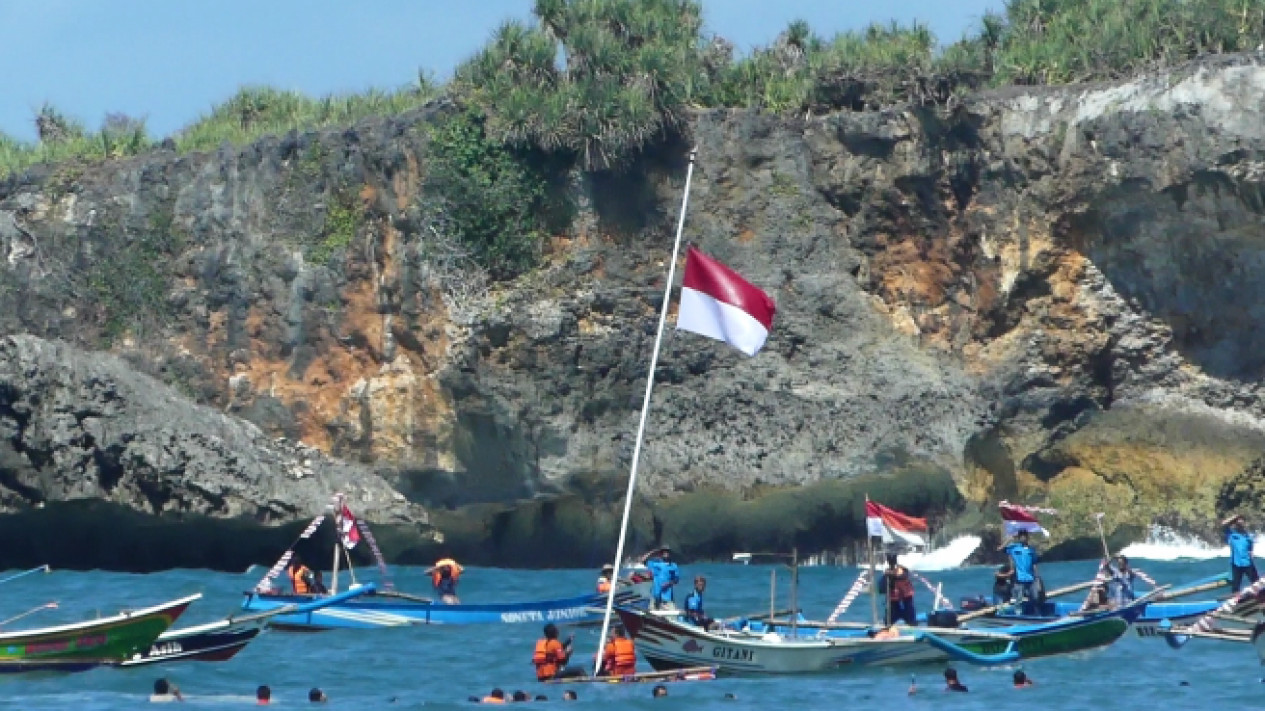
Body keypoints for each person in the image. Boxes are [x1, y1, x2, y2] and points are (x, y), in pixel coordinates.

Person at [1004, 531, 1041, 609]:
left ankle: (1035, 613)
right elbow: (1001, 549)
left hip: (1031, 579)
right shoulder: (1014, 548)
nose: (1023, 538)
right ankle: (1018, 615)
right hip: (1019, 579)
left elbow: (1034, 564)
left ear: (1027, 537)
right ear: (1019, 537)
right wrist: (1010, 539)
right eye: (1021, 536)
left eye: (1025, 536)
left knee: (1035, 598)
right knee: (1019, 600)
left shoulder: (1031, 550)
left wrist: (1037, 578)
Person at [1223, 514, 1259, 592]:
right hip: (1236, 564)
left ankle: (1260, 598)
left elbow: (1250, 550)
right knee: (1235, 586)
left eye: (1242, 522)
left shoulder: (1248, 537)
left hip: (1248, 563)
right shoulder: (1231, 535)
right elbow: (1224, 524)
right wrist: (1235, 517)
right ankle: (1235, 601)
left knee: (1256, 583)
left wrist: (1252, 556)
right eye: (1238, 523)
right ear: (1235, 524)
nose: (1240, 524)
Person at [879, 553, 917, 625]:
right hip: (893, 597)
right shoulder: (888, 573)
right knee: (891, 615)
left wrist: (892, 575)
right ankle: (889, 624)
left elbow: (903, 576)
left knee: (909, 614)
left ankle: (911, 623)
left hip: (905, 596)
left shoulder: (901, 570)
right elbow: (882, 587)